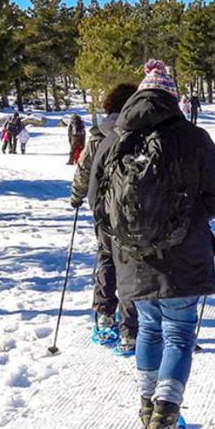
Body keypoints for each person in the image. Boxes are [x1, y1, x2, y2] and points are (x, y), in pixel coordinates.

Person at [88, 58, 215, 429]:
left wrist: (123, 239)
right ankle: (163, 427)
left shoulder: (115, 138)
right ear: (172, 96)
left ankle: (147, 412)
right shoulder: (191, 136)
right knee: (180, 333)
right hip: (182, 254)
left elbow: (97, 200)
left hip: (132, 256)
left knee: (149, 329)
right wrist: (191, 218)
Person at [71, 83, 140, 352]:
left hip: (102, 210)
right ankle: (130, 327)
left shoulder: (99, 135)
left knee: (106, 257)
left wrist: (77, 196)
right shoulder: (137, 132)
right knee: (131, 264)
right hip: (129, 210)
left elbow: (84, 170)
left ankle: (104, 314)